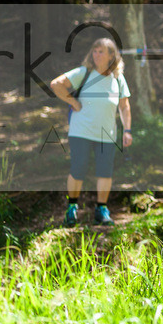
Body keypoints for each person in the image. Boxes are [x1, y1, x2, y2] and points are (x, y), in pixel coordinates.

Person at [50, 38, 132, 227]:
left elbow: (125, 106)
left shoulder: (118, 78)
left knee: (105, 171)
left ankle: (101, 210)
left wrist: (127, 130)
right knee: (78, 168)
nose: (96, 55)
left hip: (107, 134)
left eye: (101, 52)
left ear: (112, 56)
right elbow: (56, 84)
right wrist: (73, 102)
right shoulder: (84, 73)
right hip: (81, 131)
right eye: (94, 51)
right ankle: (72, 209)